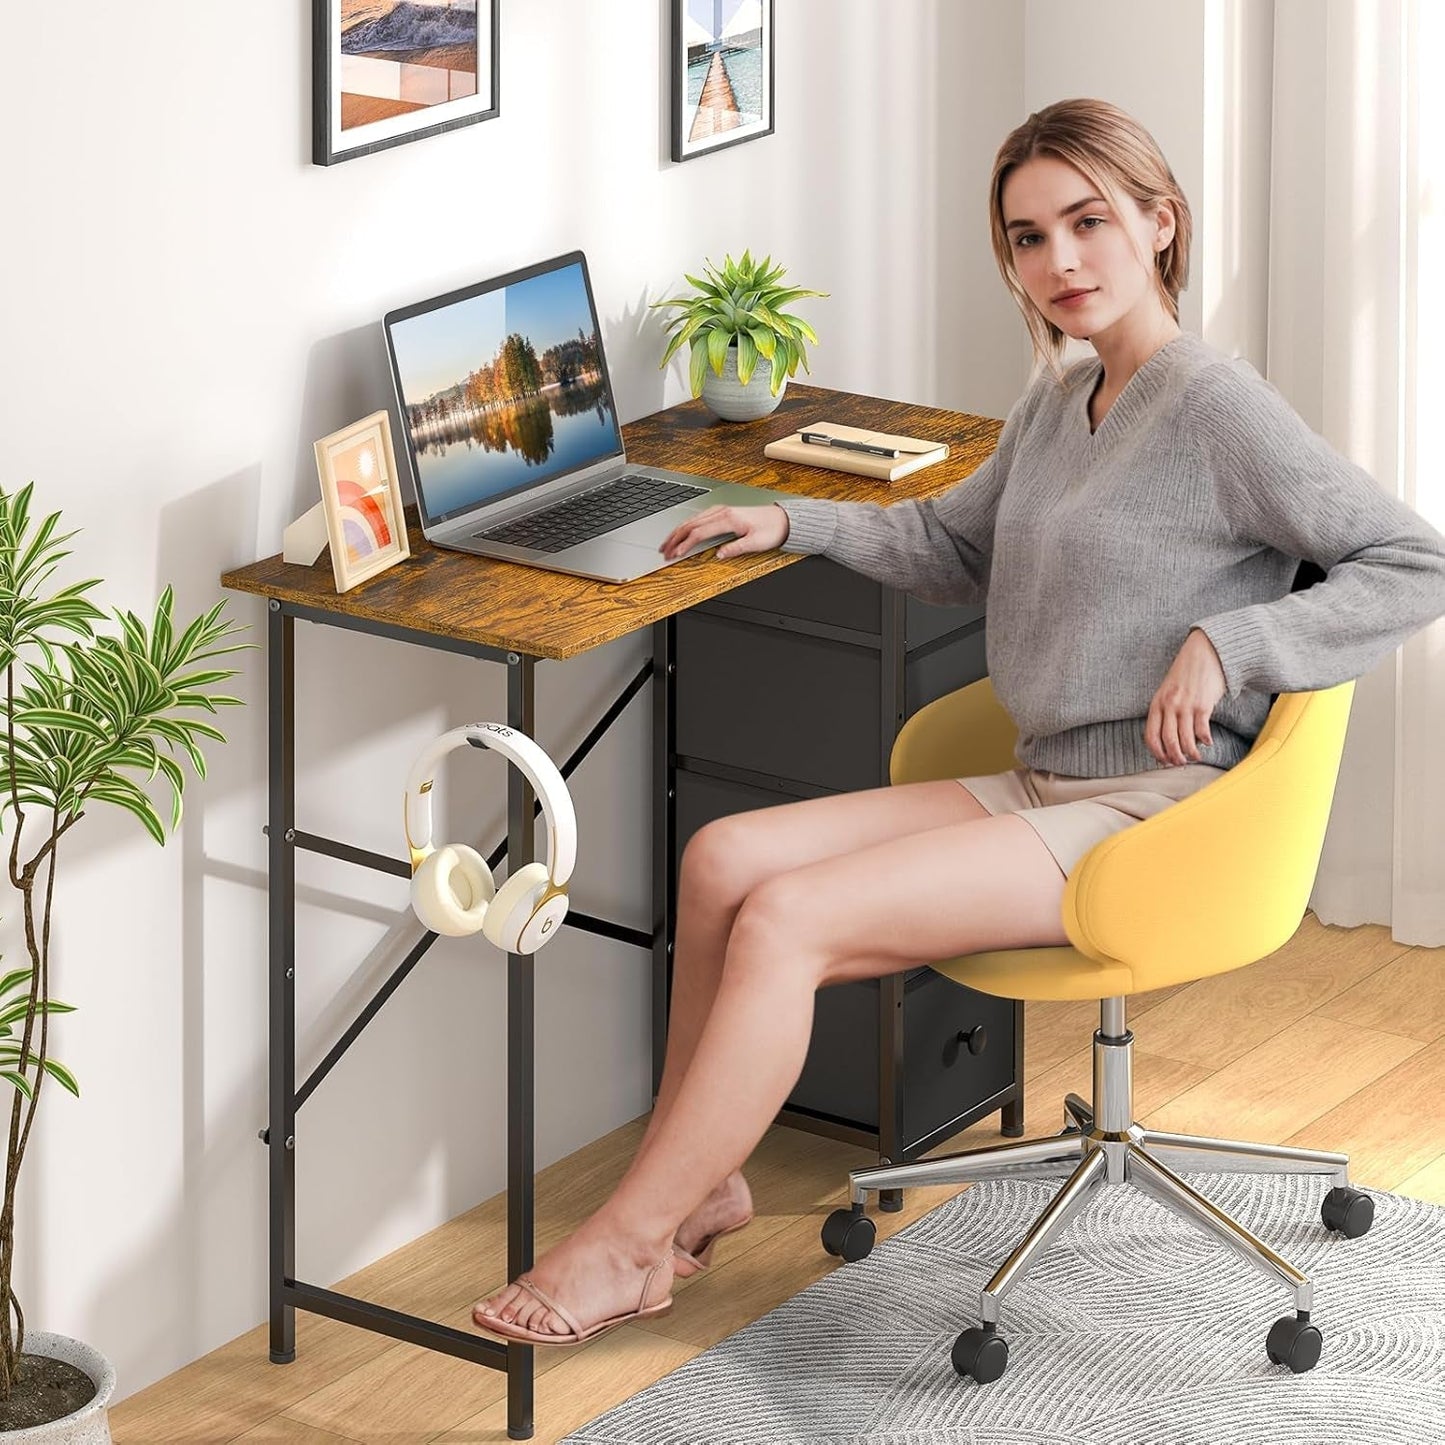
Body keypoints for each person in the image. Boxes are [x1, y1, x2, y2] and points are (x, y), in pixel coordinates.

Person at [472, 98, 1445, 1345]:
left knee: (789, 917)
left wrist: (1231, 641)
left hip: (1154, 809)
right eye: (1028, 238)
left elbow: (1413, 560)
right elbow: (947, 542)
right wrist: (792, 522)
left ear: (1160, 223)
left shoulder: (1213, 407)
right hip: (1045, 778)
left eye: (1088, 223)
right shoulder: (1062, 393)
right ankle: (702, 1177)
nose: (1060, 264)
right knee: (722, 857)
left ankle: (624, 1242)